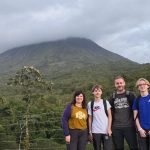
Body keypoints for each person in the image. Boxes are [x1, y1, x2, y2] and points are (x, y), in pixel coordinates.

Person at [109, 76, 138, 150]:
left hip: (130, 127)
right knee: (118, 148)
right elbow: (109, 112)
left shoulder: (130, 95)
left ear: (124, 83)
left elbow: (136, 110)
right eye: (117, 83)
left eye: (121, 83)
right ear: (115, 85)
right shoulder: (112, 97)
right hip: (116, 128)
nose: (119, 85)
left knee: (133, 147)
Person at [87, 84, 112, 150]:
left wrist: (109, 128)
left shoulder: (105, 102)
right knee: (97, 148)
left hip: (106, 130)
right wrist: (90, 131)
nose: (97, 92)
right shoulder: (90, 104)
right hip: (95, 131)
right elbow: (90, 118)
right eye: (95, 91)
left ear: (101, 92)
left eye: (99, 91)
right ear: (93, 92)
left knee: (107, 148)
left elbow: (110, 116)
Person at [133, 78, 150, 150]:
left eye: (144, 84)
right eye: (140, 85)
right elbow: (135, 116)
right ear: (138, 87)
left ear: (148, 86)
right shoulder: (137, 100)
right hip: (142, 131)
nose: (142, 86)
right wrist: (140, 129)